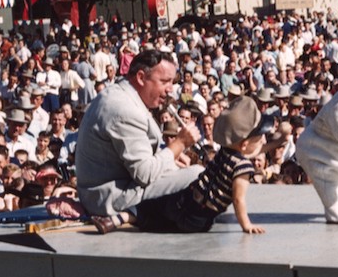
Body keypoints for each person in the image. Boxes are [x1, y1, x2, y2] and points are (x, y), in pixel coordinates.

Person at [91, 96, 272, 235]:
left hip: (185, 199)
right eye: (259, 139)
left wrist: (277, 141)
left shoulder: (224, 152)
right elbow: (238, 199)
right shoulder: (243, 168)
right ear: (245, 144)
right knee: (160, 223)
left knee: (150, 208)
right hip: (200, 218)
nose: (262, 142)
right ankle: (129, 220)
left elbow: (251, 151)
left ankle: (114, 220)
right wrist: (246, 225)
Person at [75, 48, 202, 217]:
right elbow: (145, 173)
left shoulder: (121, 95)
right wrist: (179, 144)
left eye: (172, 82)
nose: (170, 89)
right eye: (164, 81)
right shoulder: (125, 110)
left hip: (110, 189)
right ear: (141, 77)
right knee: (197, 174)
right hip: (110, 198)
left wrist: (171, 160)